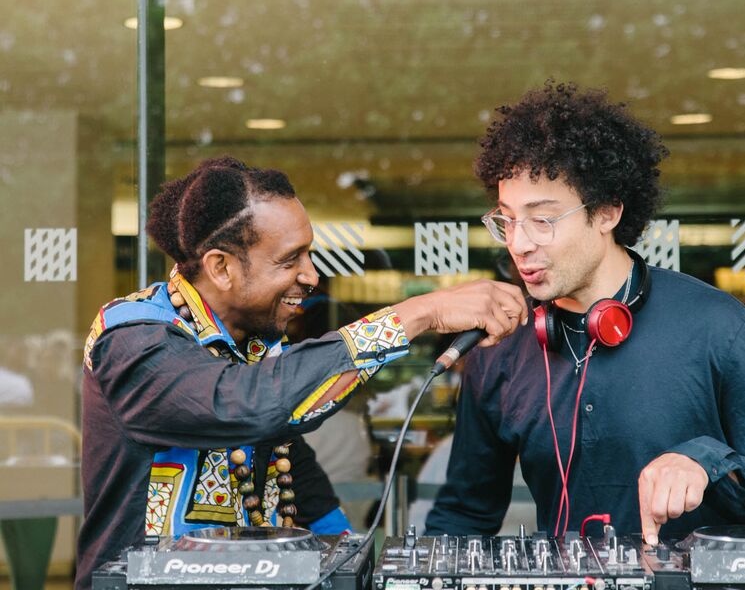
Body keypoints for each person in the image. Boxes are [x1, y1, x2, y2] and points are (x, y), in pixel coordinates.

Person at [78, 157, 526, 589]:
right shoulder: (132, 338)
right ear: (221, 267)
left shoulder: (253, 343)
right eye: (289, 260)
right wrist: (416, 314)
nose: (310, 276)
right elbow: (242, 405)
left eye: (308, 254)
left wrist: (348, 555)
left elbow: (291, 462)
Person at [426, 82, 745, 545]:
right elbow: (463, 514)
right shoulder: (499, 343)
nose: (519, 243)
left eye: (542, 219)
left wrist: (708, 462)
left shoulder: (717, 326)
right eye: (506, 219)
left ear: (606, 213)